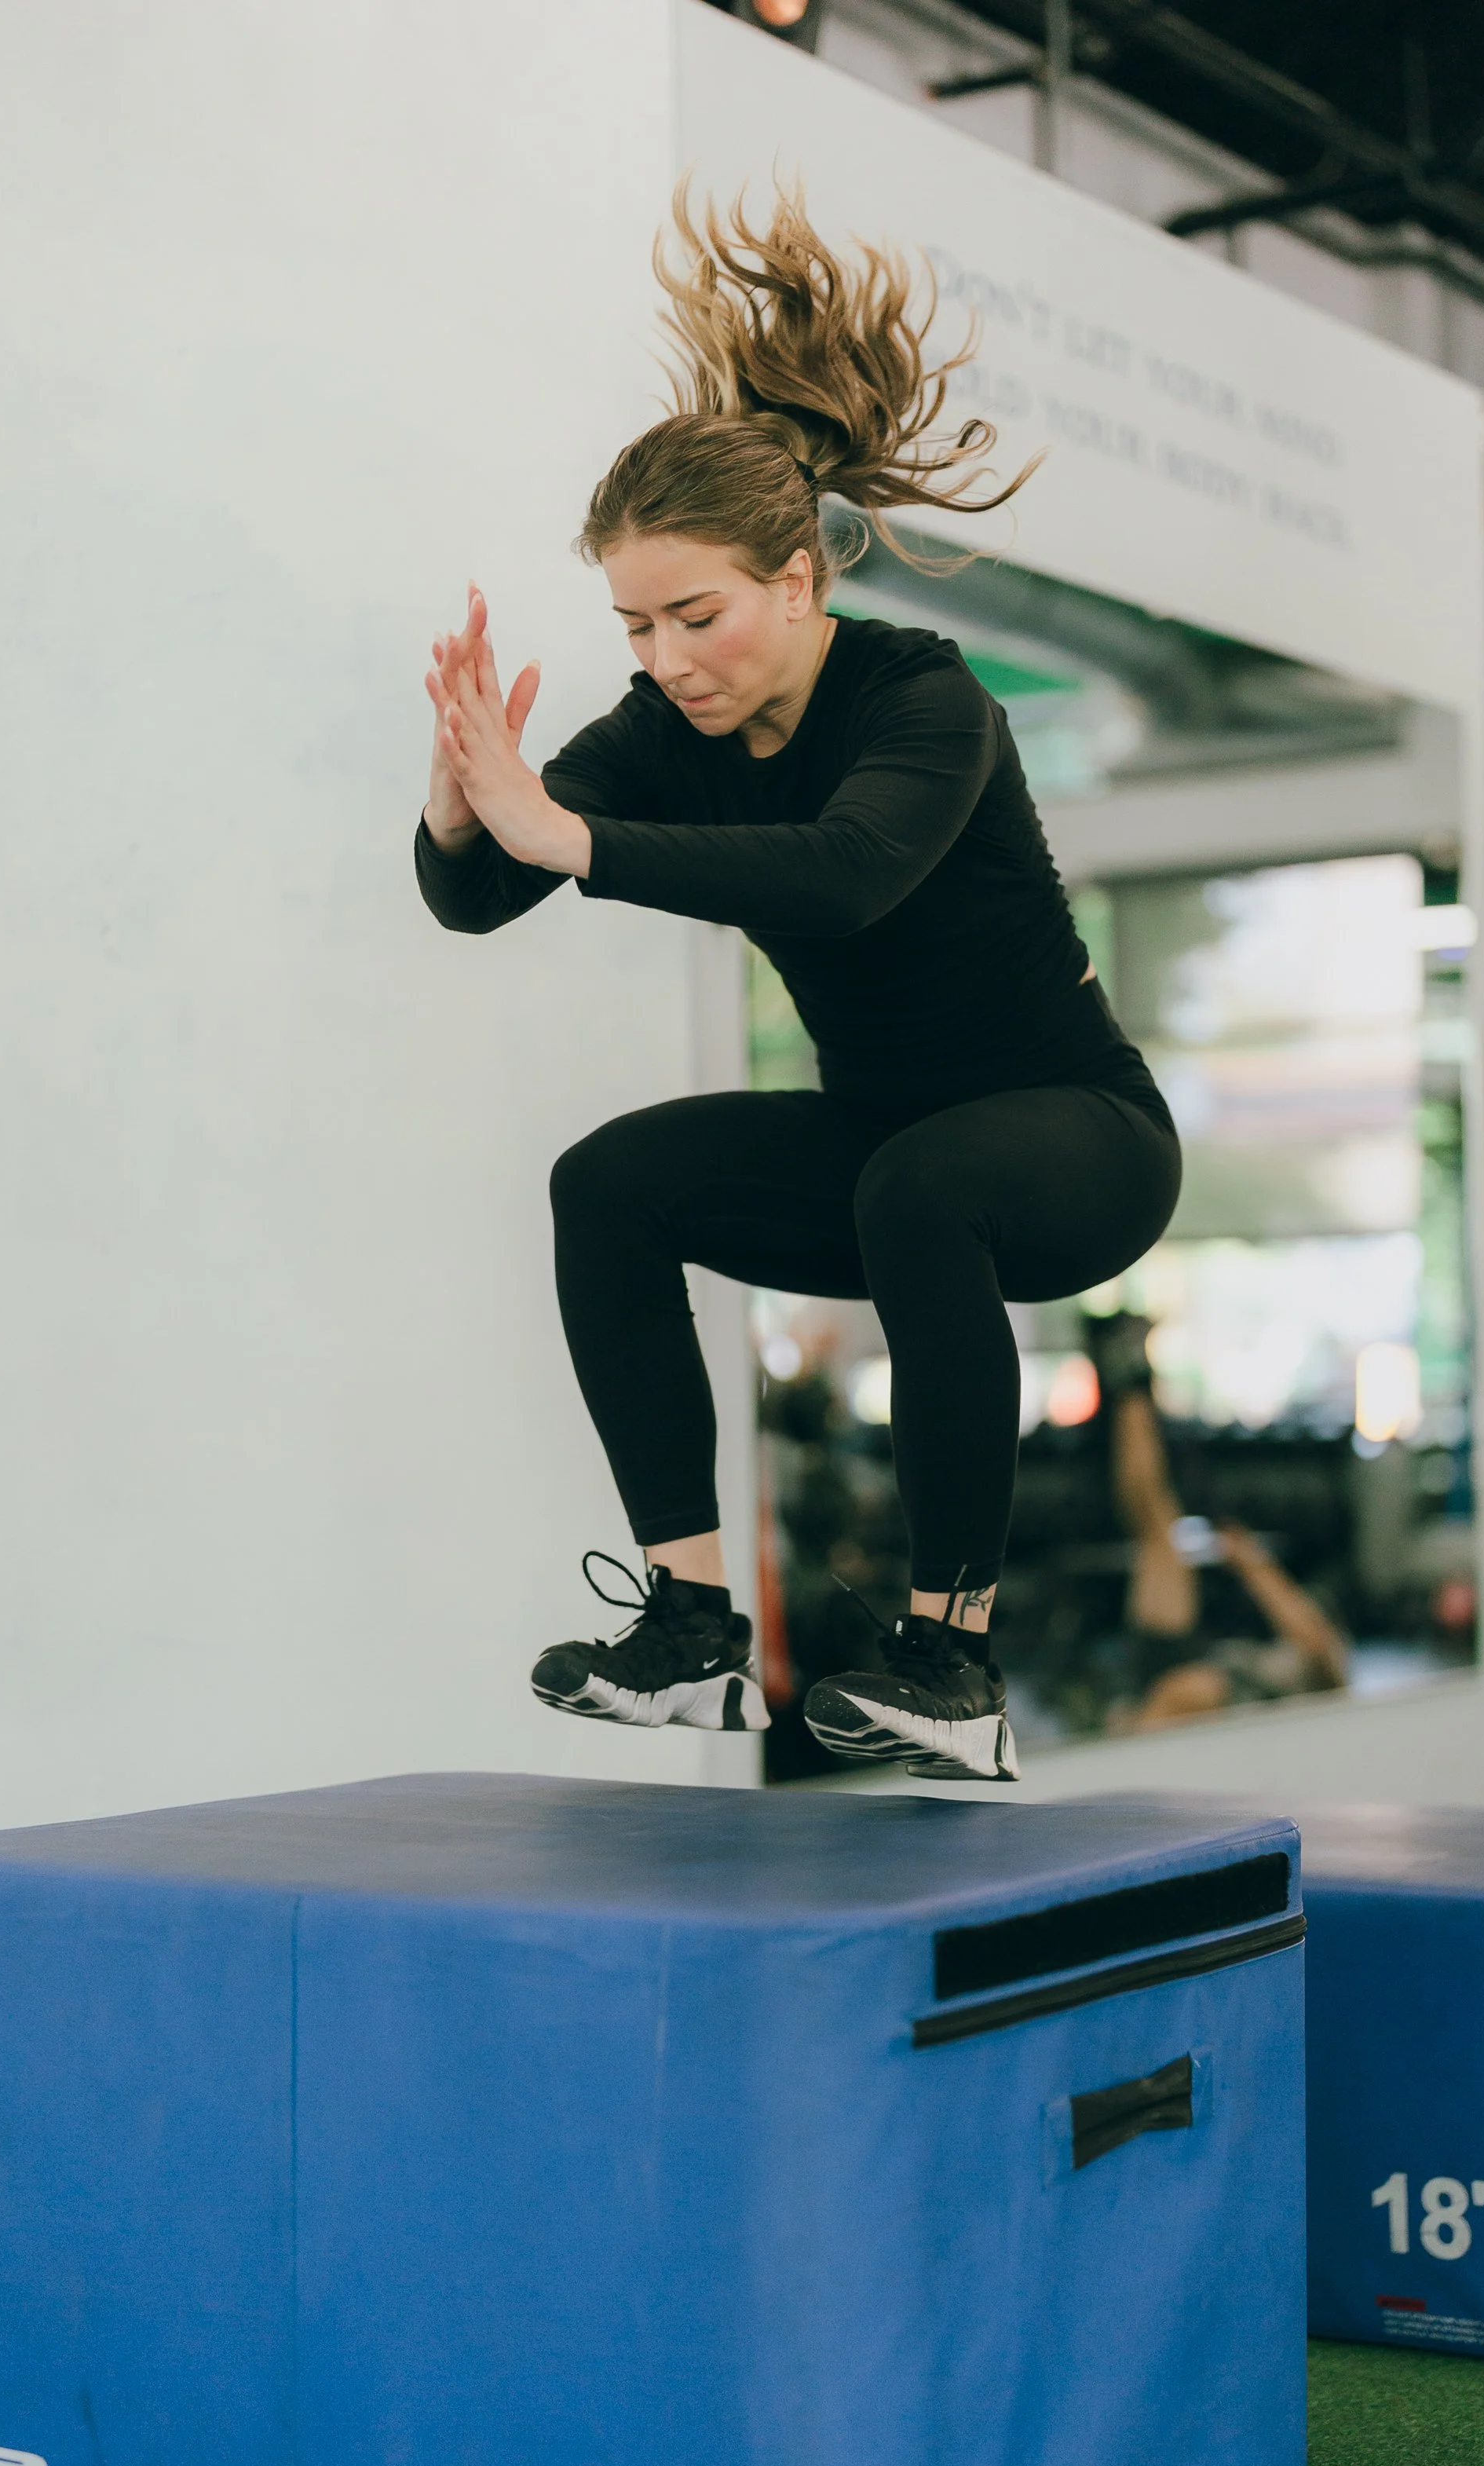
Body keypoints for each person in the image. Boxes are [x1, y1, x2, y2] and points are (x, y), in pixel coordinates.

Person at [415, 187, 1181, 1783]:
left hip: (1079, 1144)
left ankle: (953, 1667)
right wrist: (458, 797)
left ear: (797, 582)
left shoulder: (923, 698)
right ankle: (693, 1636)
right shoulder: (665, 731)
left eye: (695, 616)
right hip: (893, 1152)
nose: (668, 658)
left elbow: (849, 870)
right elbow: (481, 892)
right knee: (608, 1184)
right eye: (636, 626)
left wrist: (565, 834)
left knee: (922, 1182)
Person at [1109, 1385, 1347, 1728]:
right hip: (1191, 1676)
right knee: (1158, 1529)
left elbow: (1319, 1645)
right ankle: (1130, 1393)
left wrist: (1252, 1563)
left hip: (1225, 1699)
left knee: (1193, 1689)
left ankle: (1135, 1736)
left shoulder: (1317, 1675)